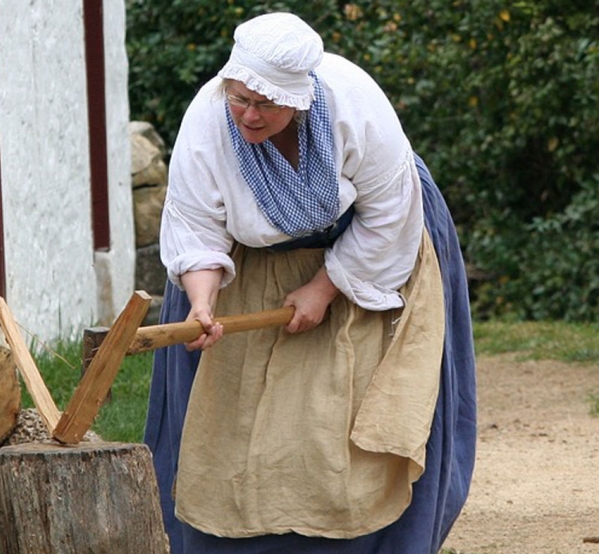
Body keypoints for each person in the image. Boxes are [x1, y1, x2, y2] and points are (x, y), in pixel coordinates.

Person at [143, 12, 476, 554]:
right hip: (247, 264)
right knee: (234, 424)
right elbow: (196, 225)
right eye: (240, 98)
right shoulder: (208, 119)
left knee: (346, 421)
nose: (249, 114)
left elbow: (389, 215)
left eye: (266, 104)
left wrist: (324, 288)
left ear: (299, 100)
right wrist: (201, 304)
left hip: (374, 250)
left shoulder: (354, 105)